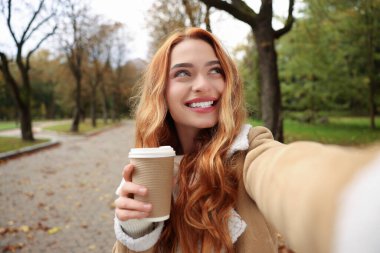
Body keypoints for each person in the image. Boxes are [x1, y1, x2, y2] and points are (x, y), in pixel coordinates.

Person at [113, 27, 380, 253]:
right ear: (161, 91)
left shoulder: (249, 149)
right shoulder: (150, 167)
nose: (203, 84)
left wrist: (356, 197)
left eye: (215, 70)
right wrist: (135, 227)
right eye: (183, 73)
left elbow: (286, 173)